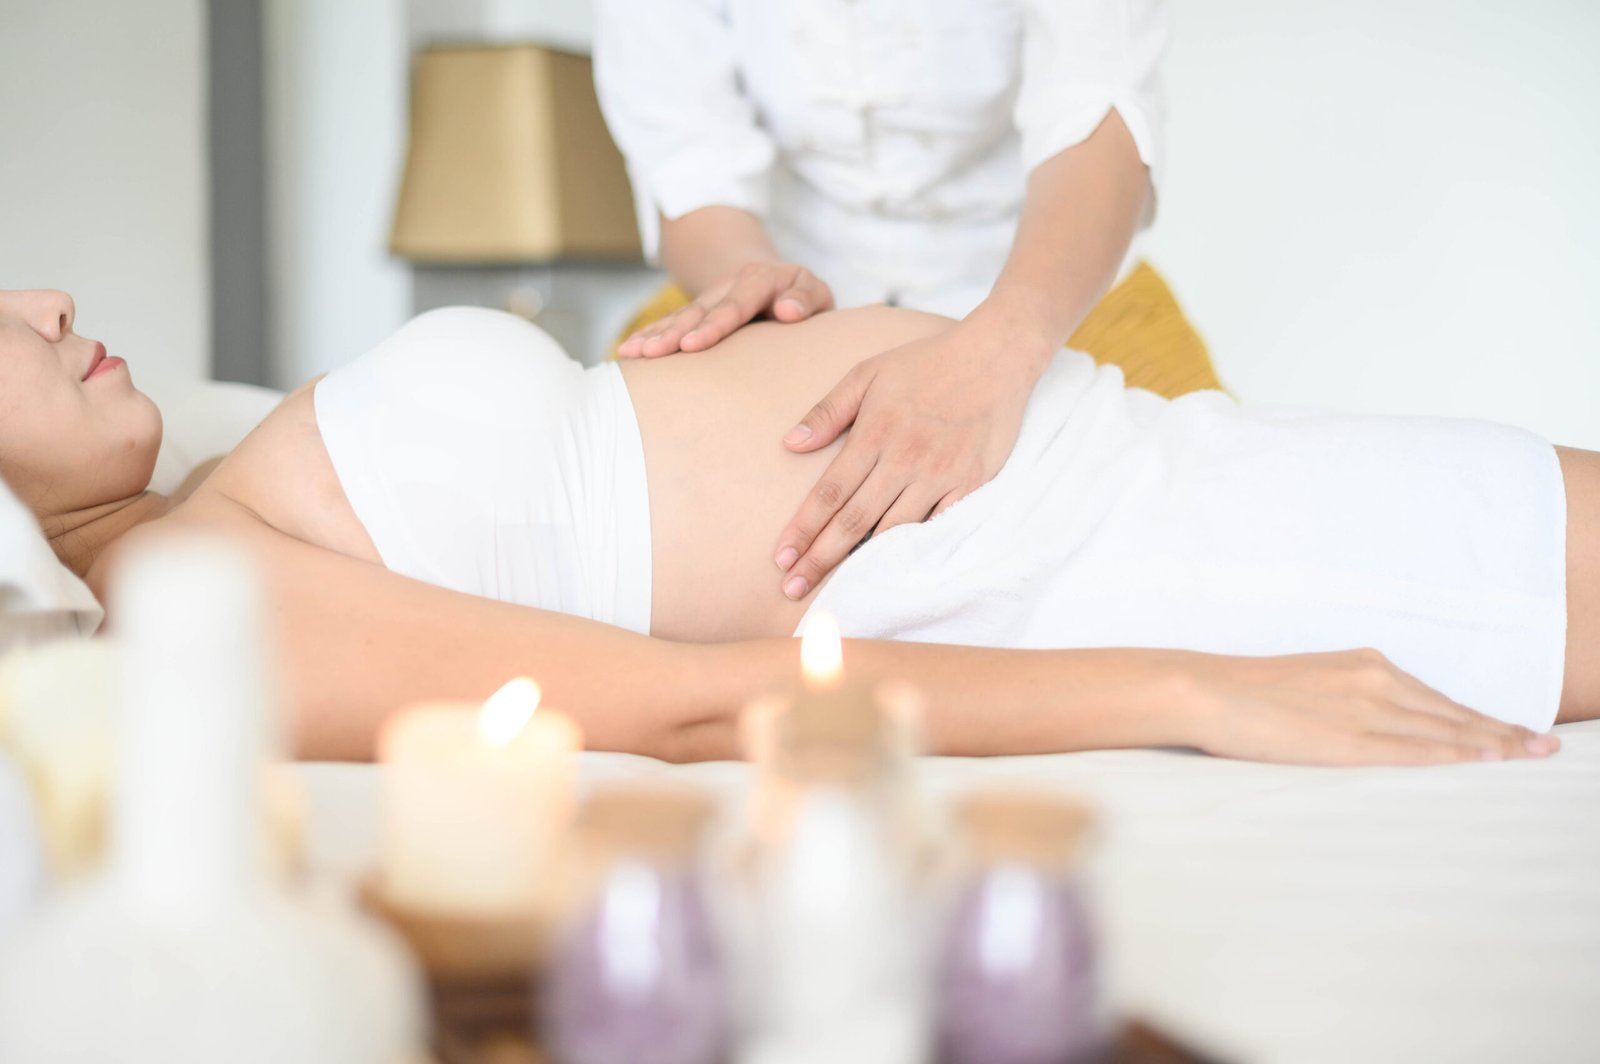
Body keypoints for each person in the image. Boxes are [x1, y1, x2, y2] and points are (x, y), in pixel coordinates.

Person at [2, 287, 1595, 767]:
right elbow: (689, 708)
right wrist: (1193, 689)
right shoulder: (182, 607)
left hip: (1100, 466)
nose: (45, 300)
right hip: (1095, 552)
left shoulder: (203, 489)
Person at [593, 0, 1197, 604]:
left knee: (1181, 558)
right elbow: (690, 161)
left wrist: (1002, 346)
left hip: (1054, 283)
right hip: (764, 279)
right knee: (631, 550)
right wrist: (760, 295)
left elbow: (1098, 105)